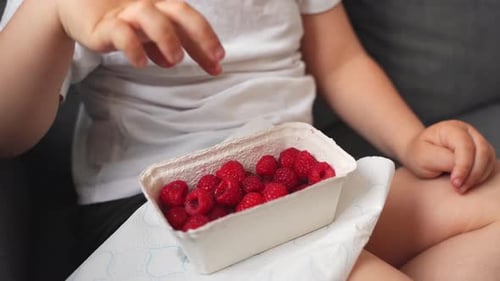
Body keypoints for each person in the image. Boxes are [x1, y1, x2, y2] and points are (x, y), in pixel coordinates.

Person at [0, 0, 499, 280]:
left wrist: (411, 139)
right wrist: (52, 14)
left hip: (301, 190)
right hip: (164, 222)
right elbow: (8, 132)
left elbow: (342, 62)